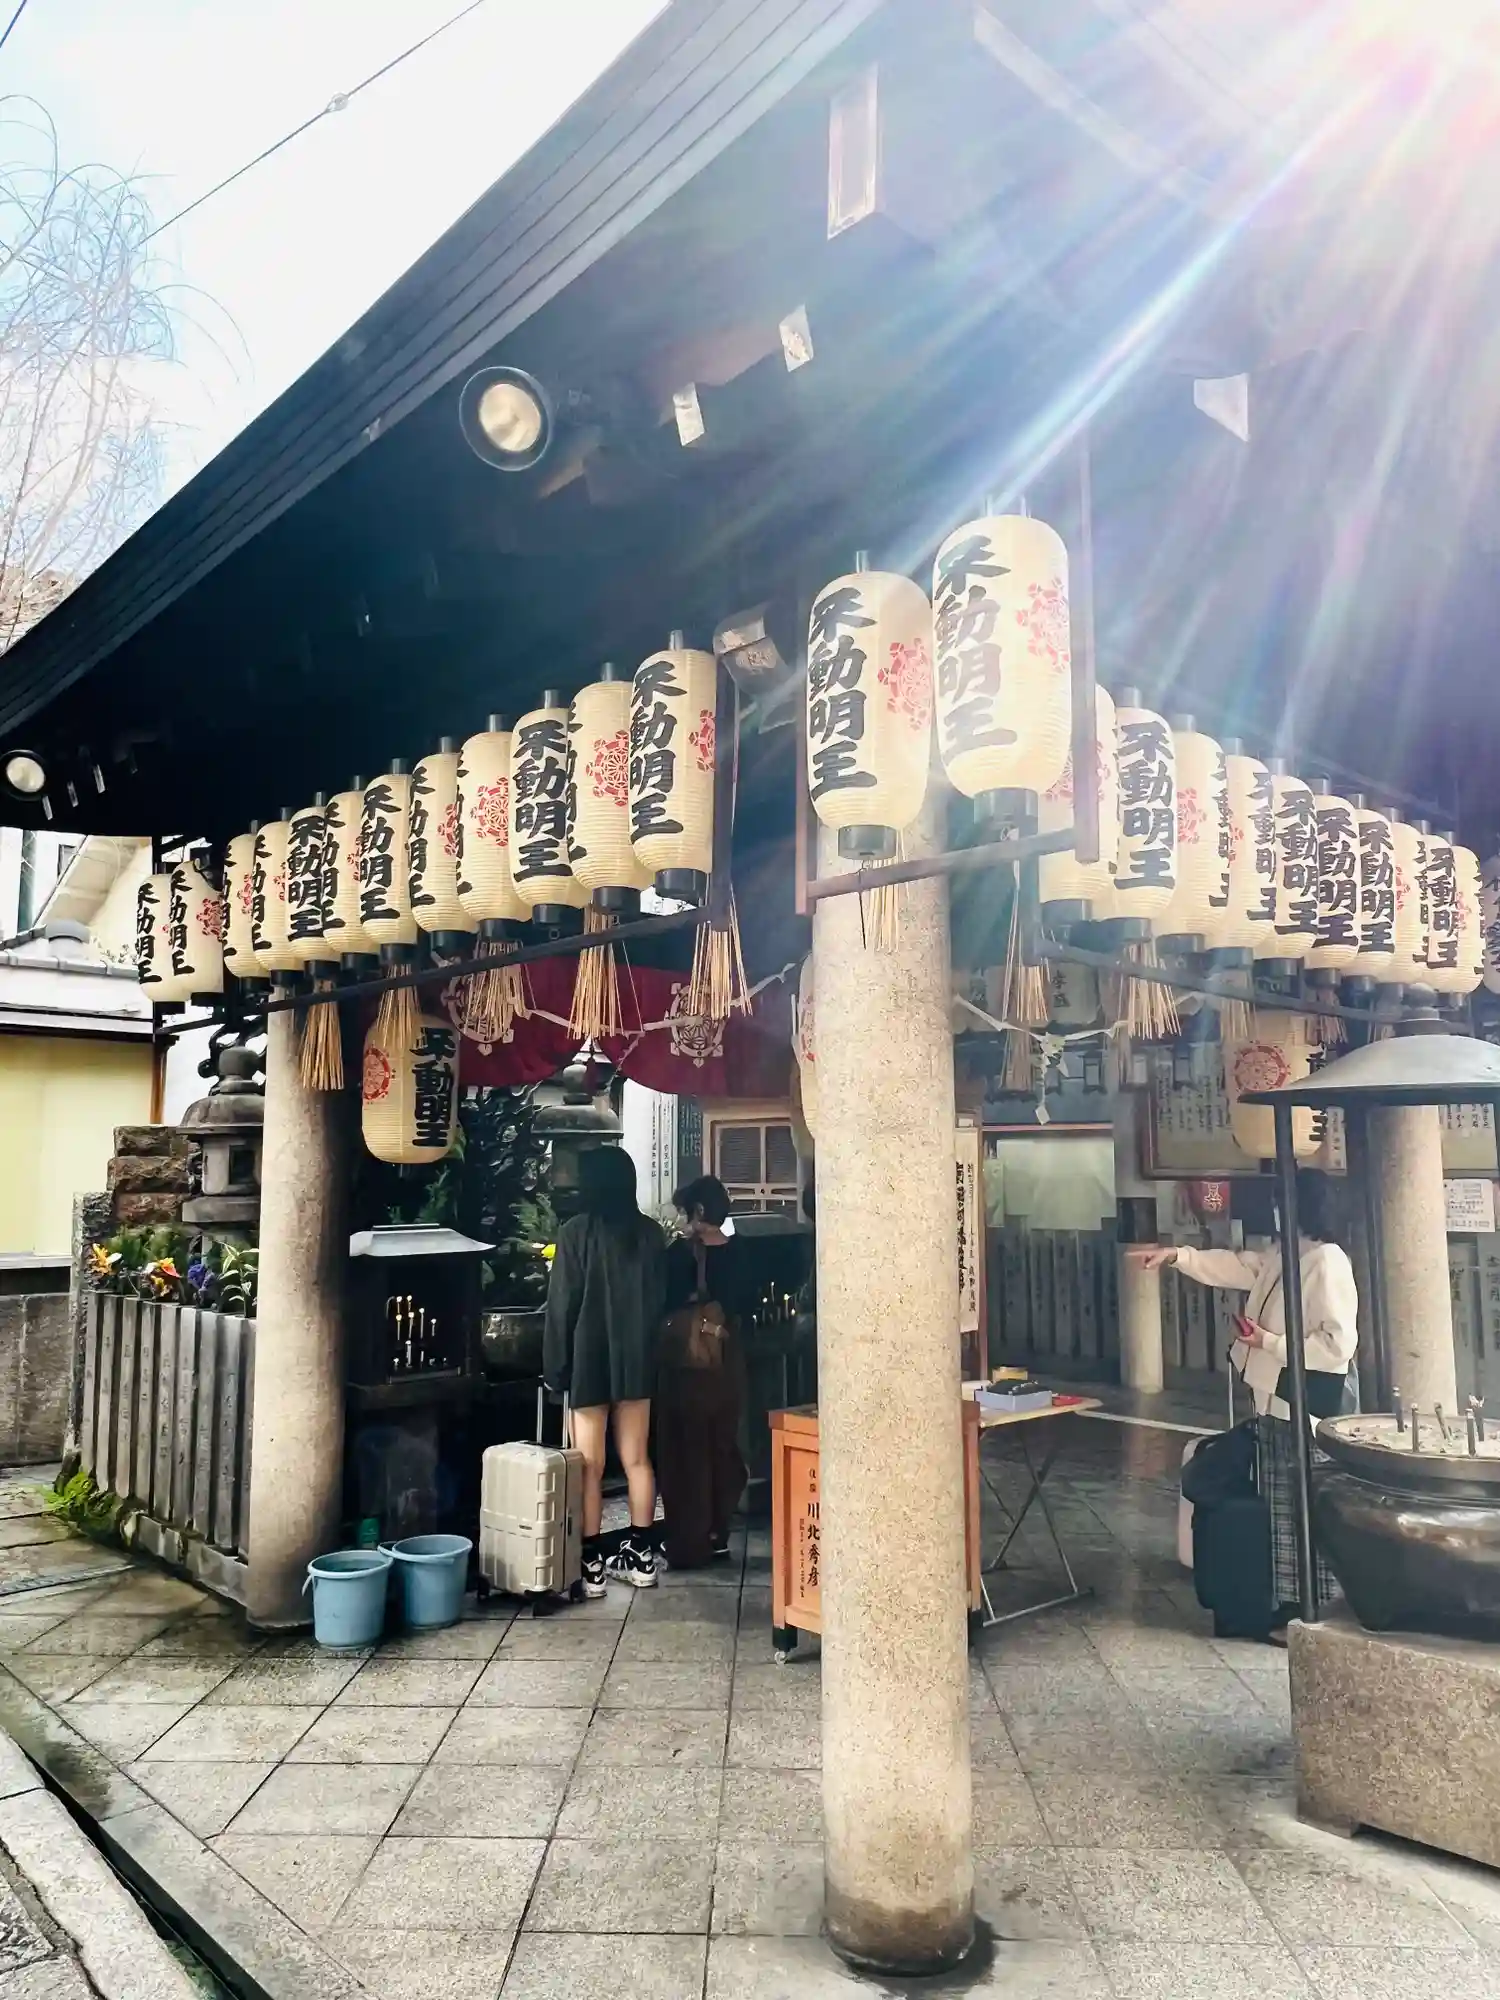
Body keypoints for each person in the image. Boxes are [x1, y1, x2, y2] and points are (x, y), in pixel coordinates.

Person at [1144, 1169, 1356, 1621]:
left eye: (1281, 1201)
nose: (1275, 1210)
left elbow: (1337, 1345)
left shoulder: (1327, 1261)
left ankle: (1305, 1604)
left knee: (1296, 1506)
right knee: (1278, 1505)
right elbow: (1239, 1266)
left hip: (1301, 1403)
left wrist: (1269, 1343)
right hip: (1273, 1396)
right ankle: (1283, 1603)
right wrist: (1178, 1256)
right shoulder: (1287, 1253)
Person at [543, 1146, 665, 1595]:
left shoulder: (575, 1233)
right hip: (637, 1359)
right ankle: (642, 1556)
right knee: (637, 1460)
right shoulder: (650, 1234)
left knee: (589, 1465)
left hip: (588, 1359)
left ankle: (591, 1563)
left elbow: (562, 1308)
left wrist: (555, 1368)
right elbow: (660, 1299)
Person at [657, 1175, 749, 1569]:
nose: (681, 1221)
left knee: (686, 1450)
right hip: (729, 1363)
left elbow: (662, 1301)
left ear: (697, 1211)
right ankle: (718, 1533)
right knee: (722, 1445)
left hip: (688, 1366)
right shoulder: (743, 1252)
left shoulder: (679, 1255)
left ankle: (688, 1541)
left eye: (684, 1212)